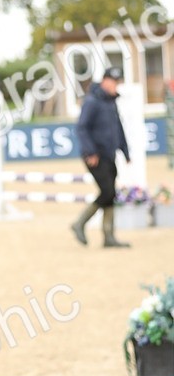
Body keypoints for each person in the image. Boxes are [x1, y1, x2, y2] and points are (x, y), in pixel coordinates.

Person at [71, 66, 131, 248]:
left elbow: (118, 128)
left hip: (109, 154)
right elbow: (82, 128)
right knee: (107, 192)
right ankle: (79, 223)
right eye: (113, 81)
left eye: (117, 82)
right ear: (105, 81)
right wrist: (91, 152)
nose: (116, 85)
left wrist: (125, 151)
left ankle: (109, 236)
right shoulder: (92, 102)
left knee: (110, 194)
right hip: (95, 156)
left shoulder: (111, 102)